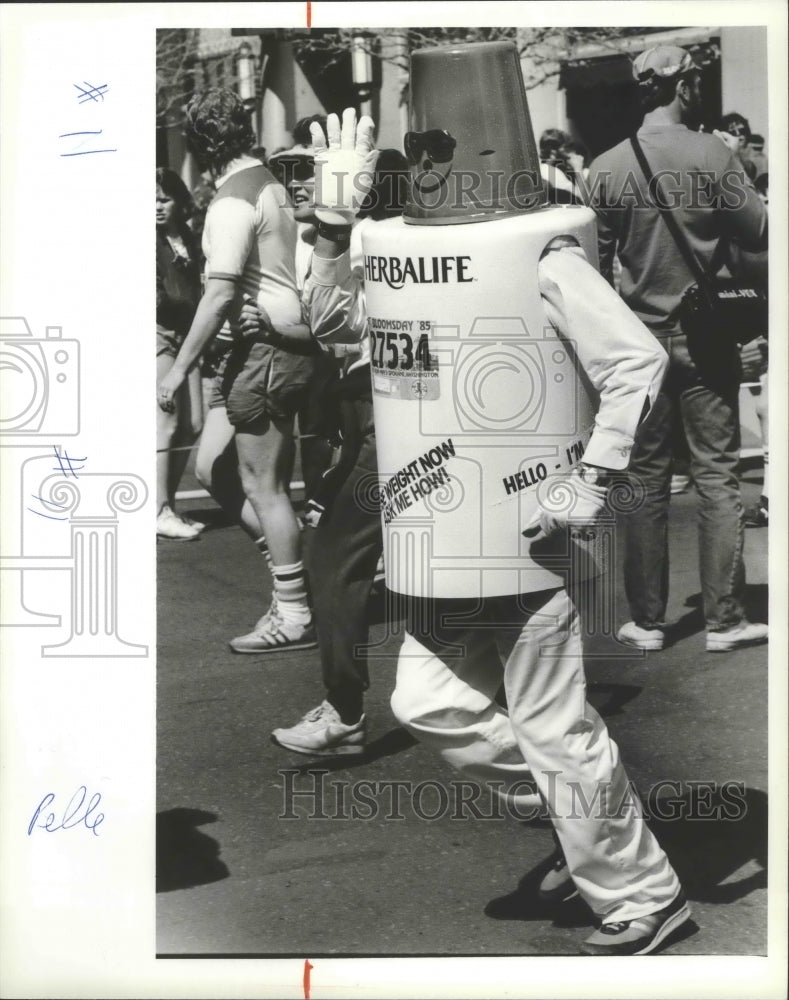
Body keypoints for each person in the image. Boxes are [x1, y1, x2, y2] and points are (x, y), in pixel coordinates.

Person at [280, 38, 690, 953]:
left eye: (435, 149)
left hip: (536, 532)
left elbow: (635, 360)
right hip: (439, 535)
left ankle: (640, 893)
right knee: (428, 705)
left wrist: (589, 482)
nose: (425, 164)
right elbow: (335, 330)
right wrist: (328, 230)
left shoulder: (541, 250)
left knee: (552, 727)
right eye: (415, 152)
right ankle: (569, 823)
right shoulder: (394, 249)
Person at [585, 45, 769, 653]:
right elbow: (760, 231)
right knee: (717, 475)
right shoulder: (712, 153)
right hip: (707, 336)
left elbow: (598, 265)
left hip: (638, 343)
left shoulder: (604, 167)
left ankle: (647, 620)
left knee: (646, 479)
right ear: (684, 85)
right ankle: (724, 620)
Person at [241, 120, 408, 755]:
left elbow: (336, 324)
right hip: (360, 412)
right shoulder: (330, 239)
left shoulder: (364, 238)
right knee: (361, 562)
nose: (295, 182)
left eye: (309, 169)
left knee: (337, 561)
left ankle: (344, 712)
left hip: (384, 412)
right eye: (287, 171)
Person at [157, 89, 316, 653]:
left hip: (263, 352)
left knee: (263, 487)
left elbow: (220, 293)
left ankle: (295, 610)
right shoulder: (269, 182)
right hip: (257, 351)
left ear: (200, 147)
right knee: (211, 469)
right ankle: (292, 571)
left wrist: (178, 370)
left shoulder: (232, 200)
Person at [155, 168, 205, 540]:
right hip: (157, 332)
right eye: (152, 199)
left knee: (193, 424)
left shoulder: (187, 237)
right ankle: (157, 509)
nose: (156, 206)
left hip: (188, 333)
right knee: (166, 421)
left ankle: (168, 504)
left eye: (164, 198)